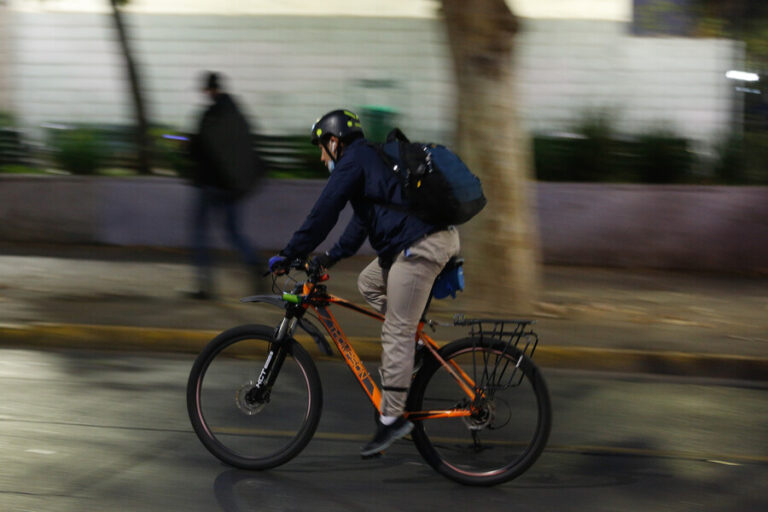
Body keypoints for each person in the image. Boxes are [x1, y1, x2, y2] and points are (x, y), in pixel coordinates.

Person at [268, 109, 460, 456]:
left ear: (334, 141)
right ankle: (414, 347)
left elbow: (325, 210)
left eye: (321, 147)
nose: (320, 156)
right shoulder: (368, 159)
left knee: (396, 331)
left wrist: (290, 252)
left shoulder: (353, 162)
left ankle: (392, 420)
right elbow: (361, 221)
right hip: (414, 243)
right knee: (368, 282)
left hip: (419, 246)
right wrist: (331, 256)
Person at [188, 71, 264, 299]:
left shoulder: (210, 115)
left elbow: (198, 147)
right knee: (233, 233)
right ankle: (256, 269)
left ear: (208, 90)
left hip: (210, 185)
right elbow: (248, 145)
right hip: (232, 187)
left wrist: (189, 146)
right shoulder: (237, 113)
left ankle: (204, 286)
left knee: (199, 233)